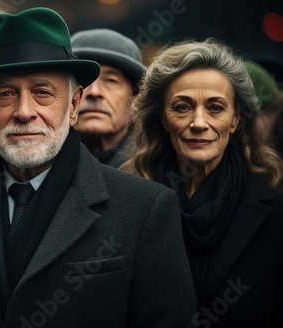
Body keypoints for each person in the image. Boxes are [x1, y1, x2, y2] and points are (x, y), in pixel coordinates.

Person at [0, 8, 197, 327]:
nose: (24, 112)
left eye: (42, 92)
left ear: (74, 104)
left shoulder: (145, 210)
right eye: (6, 94)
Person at [120, 38, 283, 327]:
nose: (198, 121)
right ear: (163, 119)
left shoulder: (274, 213)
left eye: (216, 108)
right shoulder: (129, 206)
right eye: (182, 107)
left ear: (235, 120)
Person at [71, 28, 146, 167]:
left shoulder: (156, 169)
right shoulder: (36, 168)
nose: (94, 92)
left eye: (111, 80)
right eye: (82, 80)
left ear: (135, 100)